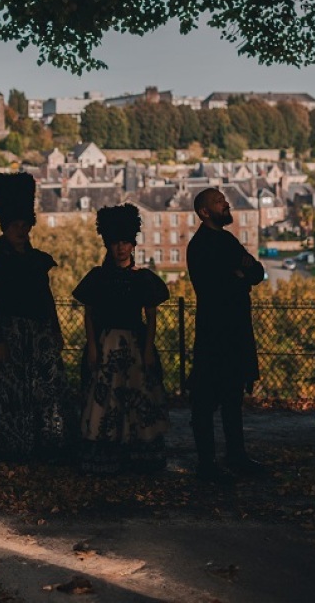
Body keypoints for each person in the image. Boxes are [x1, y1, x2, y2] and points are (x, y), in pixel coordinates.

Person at [0, 172, 74, 462]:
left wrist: (56, 330)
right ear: (5, 227)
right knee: (4, 392)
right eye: (15, 225)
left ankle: (42, 443)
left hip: (38, 334)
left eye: (25, 225)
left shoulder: (38, 260)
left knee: (43, 390)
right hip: (7, 333)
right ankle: (4, 445)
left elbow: (46, 298)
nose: (21, 230)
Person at [72, 203, 170, 474]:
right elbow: (89, 315)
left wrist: (148, 350)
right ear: (108, 244)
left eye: (125, 242)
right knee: (104, 400)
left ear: (133, 244)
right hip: (105, 344)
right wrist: (93, 347)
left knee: (138, 394)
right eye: (116, 242)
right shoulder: (98, 277)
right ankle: (107, 453)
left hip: (135, 345)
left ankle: (137, 455)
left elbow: (151, 317)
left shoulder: (144, 279)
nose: (121, 248)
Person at [186, 187, 266, 481]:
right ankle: (207, 463)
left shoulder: (227, 240)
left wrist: (240, 275)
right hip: (214, 333)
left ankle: (236, 455)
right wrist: (240, 275)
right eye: (219, 201)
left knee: (233, 396)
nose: (226, 204)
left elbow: (256, 272)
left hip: (234, 331)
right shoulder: (200, 246)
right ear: (204, 211)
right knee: (206, 399)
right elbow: (214, 287)